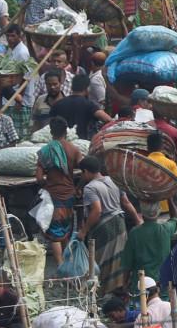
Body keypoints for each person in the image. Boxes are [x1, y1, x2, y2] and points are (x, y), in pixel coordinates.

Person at [79, 155, 138, 297]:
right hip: (120, 222)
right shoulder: (114, 180)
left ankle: (103, 292)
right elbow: (126, 202)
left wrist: (84, 231)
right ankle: (120, 291)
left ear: (86, 171)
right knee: (119, 258)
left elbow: (97, 210)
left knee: (103, 261)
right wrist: (137, 219)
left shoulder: (90, 188)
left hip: (104, 228)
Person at [36, 117, 84, 268]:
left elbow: (38, 178)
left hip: (53, 195)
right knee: (66, 229)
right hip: (69, 194)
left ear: (51, 132)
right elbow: (86, 170)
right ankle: (66, 262)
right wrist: (78, 187)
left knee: (55, 233)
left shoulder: (45, 151)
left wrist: (46, 184)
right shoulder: (74, 150)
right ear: (66, 132)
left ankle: (60, 266)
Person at [122, 201, 176, 284]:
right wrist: (169, 199)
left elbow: (127, 264)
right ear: (158, 213)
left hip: (141, 287)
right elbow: (175, 218)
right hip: (161, 287)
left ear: (142, 214)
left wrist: (124, 284)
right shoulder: (165, 229)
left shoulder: (134, 233)